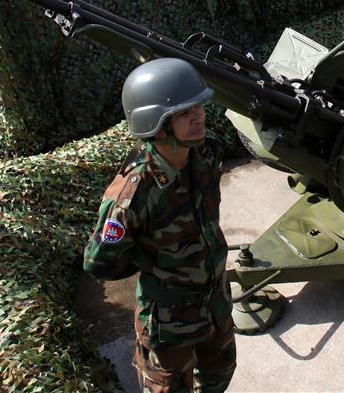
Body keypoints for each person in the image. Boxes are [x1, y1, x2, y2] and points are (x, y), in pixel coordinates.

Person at [83, 58, 236, 392]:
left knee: (220, 375)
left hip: (215, 303)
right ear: (156, 122)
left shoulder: (206, 154)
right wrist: (154, 263)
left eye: (198, 106)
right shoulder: (132, 195)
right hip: (170, 323)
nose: (198, 116)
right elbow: (100, 262)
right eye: (183, 113)